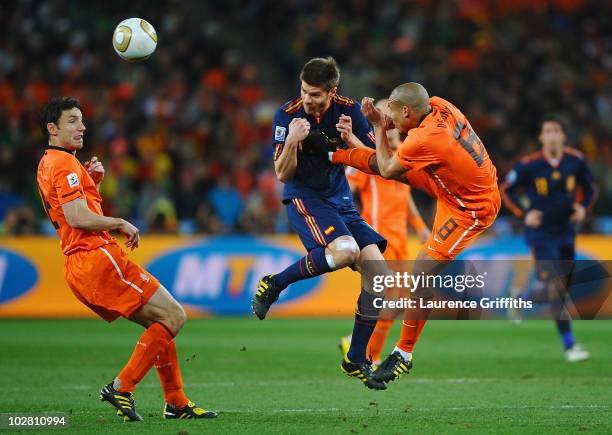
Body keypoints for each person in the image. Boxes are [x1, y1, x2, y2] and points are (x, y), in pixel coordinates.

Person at [36, 97, 216, 421]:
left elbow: (69, 213)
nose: (82, 127)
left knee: (160, 322)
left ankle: (176, 402)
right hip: (96, 256)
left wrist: (93, 184)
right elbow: (77, 217)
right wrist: (119, 222)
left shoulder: (50, 162)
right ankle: (122, 387)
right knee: (174, 316)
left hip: (79, 263)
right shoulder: (63, 164)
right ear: (52, 128)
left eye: (82, 120)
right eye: (73, 121)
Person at [330, 82, 501, 385]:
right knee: (398, 292)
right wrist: (353, 144)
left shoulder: (425, 139)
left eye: (392, 113)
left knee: (421, 271)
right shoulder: (439, 104)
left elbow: (385, 169)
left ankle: (403, 354)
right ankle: (332, 155)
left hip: (471, 208)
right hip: (448, 187)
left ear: (407, 110)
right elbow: (385, 166)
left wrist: (377, 127)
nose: (390, 118)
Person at [250, 57, 389, 390]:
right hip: (305, 197)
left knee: (382, 281)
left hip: (340, 200)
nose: (307, 99)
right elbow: (282, 174)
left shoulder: (349, 111)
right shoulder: (287, 115)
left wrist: (355, 138)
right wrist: (294, 140)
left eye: (314, 94)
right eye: (304, 91)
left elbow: (377, 164)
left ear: (332, 91)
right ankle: (275, 283)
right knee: (345, 251)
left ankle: (356, 359)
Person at [339, 99, 431, 366]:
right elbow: (346, 191)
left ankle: (358, 345)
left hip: (401, 238)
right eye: (383, 115)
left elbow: (406, 193)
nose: (388, 121)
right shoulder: (370, 156)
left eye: (390, 114)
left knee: (398, 304)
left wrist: (420, 226)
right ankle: (371, 355)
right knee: (389, 300)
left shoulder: (404, 151)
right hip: (379, 239)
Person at [500, 115, 597, 362]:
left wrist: (584, 207)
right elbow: (505, 190)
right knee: (555, 287)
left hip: (566, 232)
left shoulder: (575, 161)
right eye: (548, 131)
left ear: (563, 136)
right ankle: (570, 347)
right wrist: (524, 214)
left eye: (557, 130)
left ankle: (519, 300)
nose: (552, 134)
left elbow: (591, 188)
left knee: (559, 290)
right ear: (541, 137)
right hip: (541, 234)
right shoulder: (529, 165)